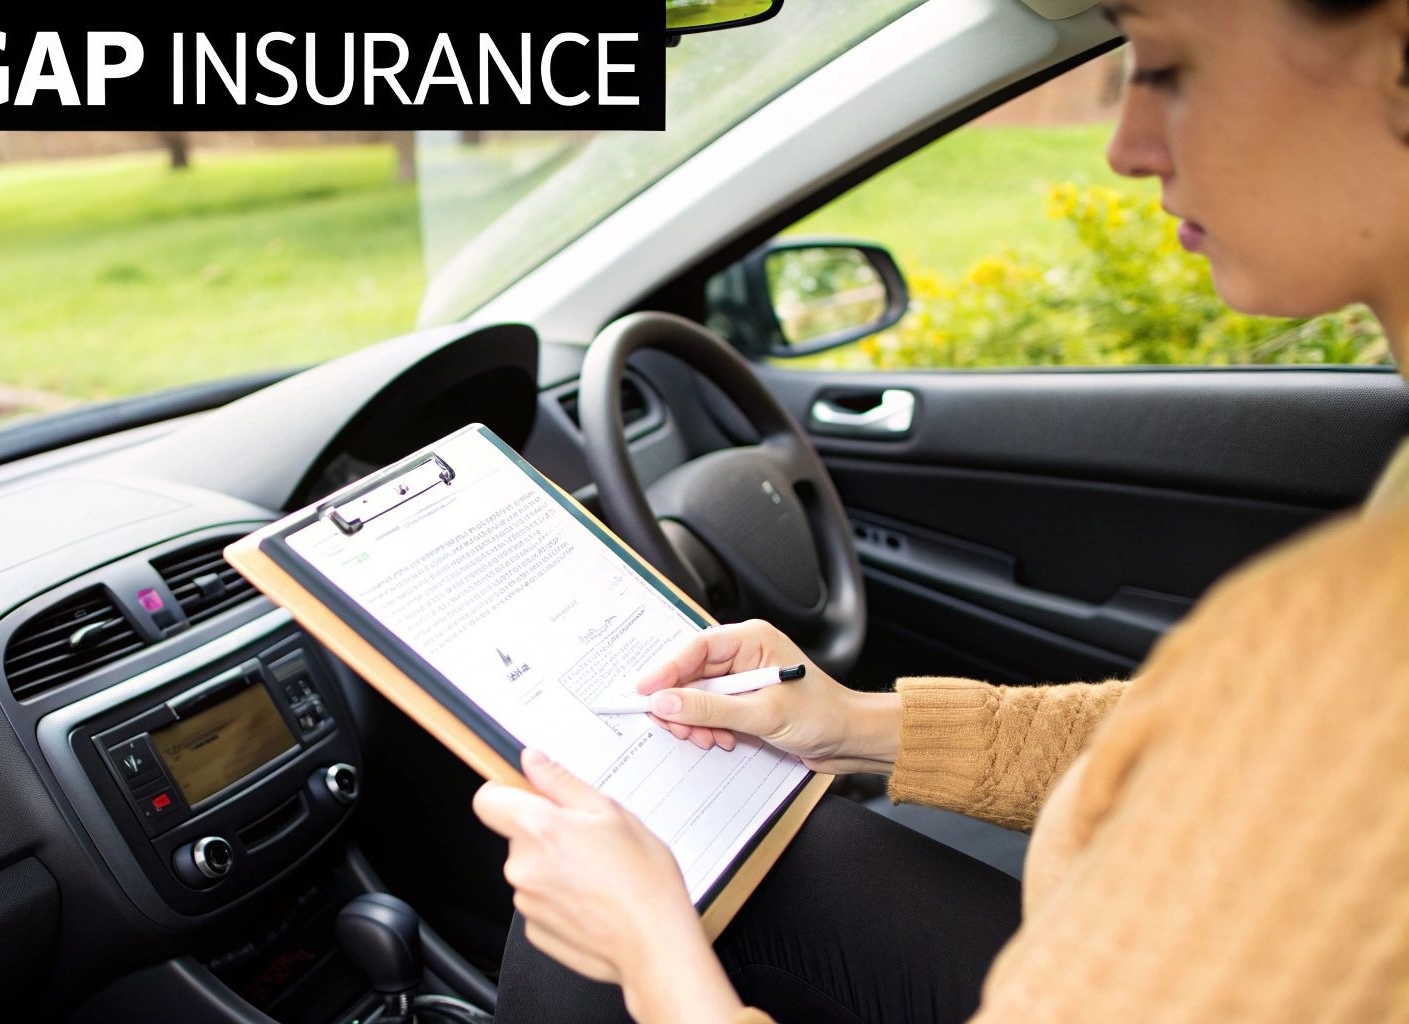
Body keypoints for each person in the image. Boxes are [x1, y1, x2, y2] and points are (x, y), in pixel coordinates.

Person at [470, 0, 1409, 1020]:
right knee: (736, 862)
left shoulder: (1353, 610)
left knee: (601, 925)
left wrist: (656, 962)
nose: (1126, 146)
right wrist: (852, 724)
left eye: (1171, 69)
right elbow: (1216, 740)